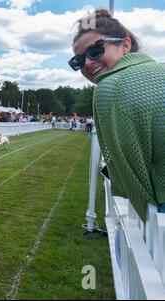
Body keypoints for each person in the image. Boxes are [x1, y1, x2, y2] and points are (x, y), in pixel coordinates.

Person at [70, 9, 165, 217]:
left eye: (95, 50)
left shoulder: (108, 86)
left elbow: (132, 176)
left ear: (126, 44)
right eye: (77, 61)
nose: (87, 63)